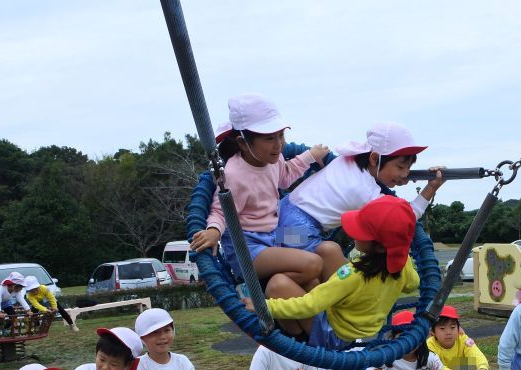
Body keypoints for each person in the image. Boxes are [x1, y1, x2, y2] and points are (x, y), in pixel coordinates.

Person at [269, 121, 444, 301]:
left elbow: (378, 177)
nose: (405, 174)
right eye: (400, 167)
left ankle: (275, 283)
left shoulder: (349, 159)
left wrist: (394, 176)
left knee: (320, 275)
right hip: (301, 230)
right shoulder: (365, 191)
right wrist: (431, 188)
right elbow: (402, 219)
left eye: (409, 168)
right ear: (374, 159)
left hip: (282, 214)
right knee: (350, 282)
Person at [189, 94, 330, 289]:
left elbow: (285, 176)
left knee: (315, 245)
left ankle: (287, 296)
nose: (279, 144)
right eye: (270, 138)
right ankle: (259, 292)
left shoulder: (274, 159)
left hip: (275, 234)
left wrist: (309, 156)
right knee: (313, 264)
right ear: (243, 143)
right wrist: (213, 231)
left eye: (281, 135)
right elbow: (221, 211)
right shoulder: (235, 175)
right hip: (248, 245)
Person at [244, 195, 419, 344]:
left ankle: (297, 337)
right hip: (364, 327)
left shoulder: (353, 275)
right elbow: (412, 284)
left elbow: (311, 304)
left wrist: (264, 306)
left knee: (277, 284)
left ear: (380, 247)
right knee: (329, 248)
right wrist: (402, 254)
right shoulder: (401, 264)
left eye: (361, 231)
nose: (353, 232)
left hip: (335, 336)